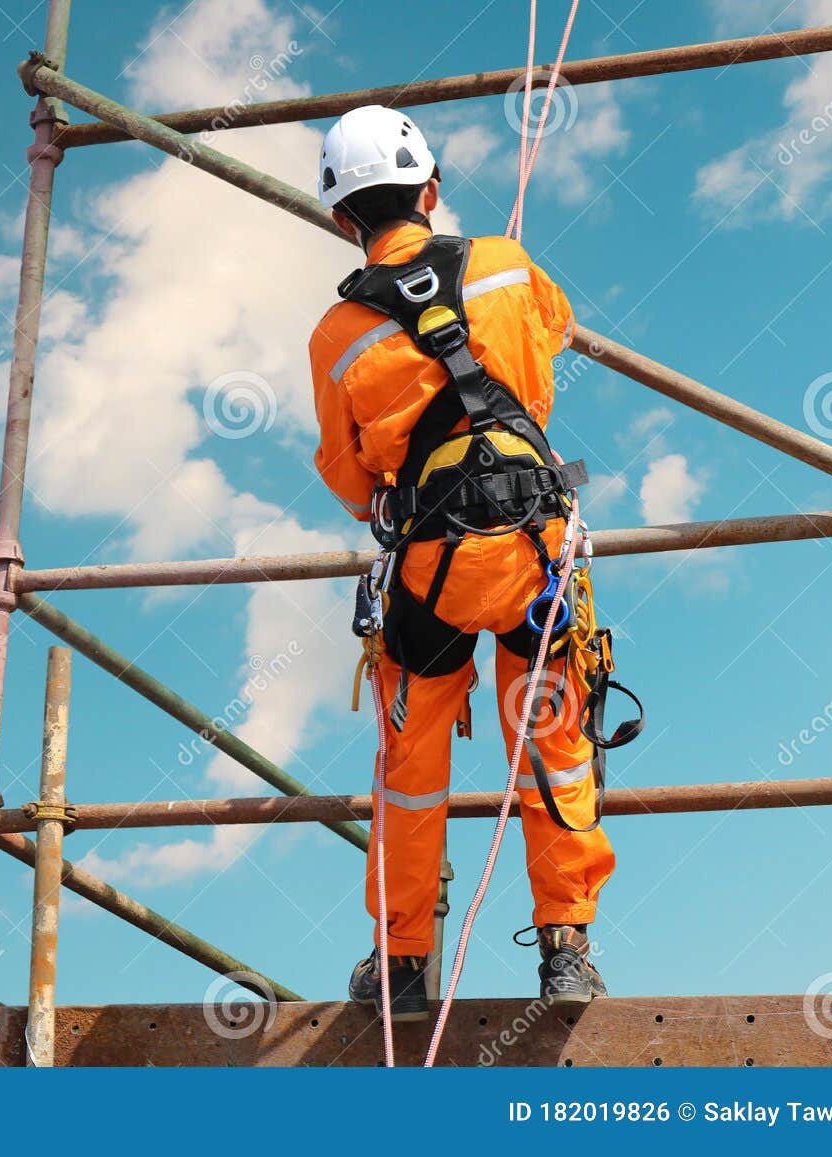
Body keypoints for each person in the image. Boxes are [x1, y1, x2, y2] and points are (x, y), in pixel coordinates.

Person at [307, 105, 613, 1021]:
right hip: (536, 557)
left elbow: (351, 480)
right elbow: (553, 338)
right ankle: (566, 950)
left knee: (410, 767)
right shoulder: (507, 267)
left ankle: (400, 962)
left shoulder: (337, 335)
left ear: (341, 218)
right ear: (431, 189)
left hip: (429, 571)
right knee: (553, 744)